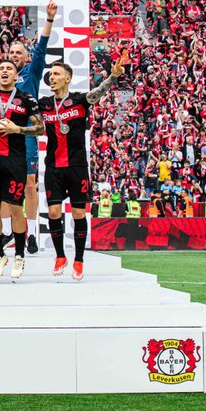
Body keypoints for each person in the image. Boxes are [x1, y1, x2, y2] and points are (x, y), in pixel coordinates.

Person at [39, 54, 124, 282]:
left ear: (67, 78)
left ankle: (78, 260)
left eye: (56, 74)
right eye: (51, 74)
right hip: (53, 166)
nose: (52, 77)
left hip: (76, 166)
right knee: (54, 212)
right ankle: (60, 256)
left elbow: (99, 92)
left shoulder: (79, 100)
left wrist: (113, 77)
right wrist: (17, 129)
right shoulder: (44, 104)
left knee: (78, 213)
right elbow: (37, 129)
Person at [0, 59, 44, 280]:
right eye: (1, 69)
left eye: (9, 69)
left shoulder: (26, 99)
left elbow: (40, 127)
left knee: (15, 208)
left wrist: (18, 128)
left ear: (16, 77)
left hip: (15, 160)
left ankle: (19, 255)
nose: (4, 71)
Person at [10, 0, 56, 254]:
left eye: (19, 53)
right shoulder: (2, 75)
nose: (14, 56)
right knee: (6, 185)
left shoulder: (32, 72)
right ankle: (11, 232)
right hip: (5, 137)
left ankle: (32, 232)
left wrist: (48, 19)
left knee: (29, 183)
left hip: (27, 135)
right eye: (12, 53)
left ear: (25, 57)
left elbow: (42, 48)